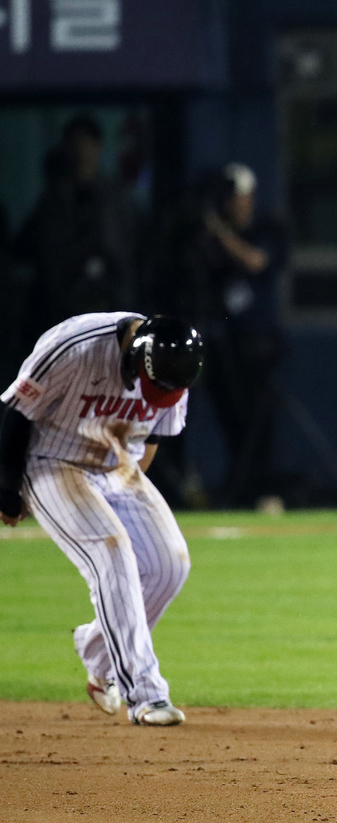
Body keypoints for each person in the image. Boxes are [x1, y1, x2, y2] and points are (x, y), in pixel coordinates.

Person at [0, 313, 205, 726]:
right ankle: (145, 695)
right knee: (112, 554)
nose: (161, 394)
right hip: (52, 463)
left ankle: (97, 652)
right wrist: (7, 490)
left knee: (171, 566)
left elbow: (150, 440)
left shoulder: (173, 372)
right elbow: (15, 415)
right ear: (135, 357)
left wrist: (124, 496)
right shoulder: (75, 348)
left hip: (116, 466)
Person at [193, 163, 287, 508]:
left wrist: (220, 233)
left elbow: (256, 262)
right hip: (222, 342)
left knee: (259, 419)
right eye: (231, 197)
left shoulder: (266, 228)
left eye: (241, 196)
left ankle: (262, 489)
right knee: (228, 417)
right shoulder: (209, 242)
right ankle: (239, 491)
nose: (237, 203)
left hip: (258, 343)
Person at [13, 115, 140, 332]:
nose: (81, 151)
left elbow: (132, 242)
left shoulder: (117, 196)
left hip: (113, 292)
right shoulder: (54, 199)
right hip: (65, 297)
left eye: (86, 144)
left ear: (98, 146)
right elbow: (36, 245)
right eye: (74, 145)